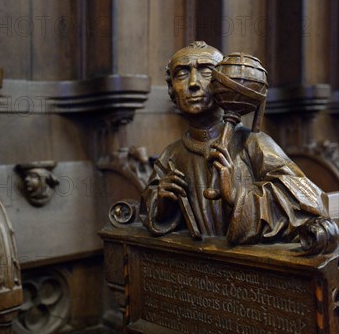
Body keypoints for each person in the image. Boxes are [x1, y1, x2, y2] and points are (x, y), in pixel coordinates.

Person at [140, 41, 329, 245]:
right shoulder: (172, 155)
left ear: (224, 83)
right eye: (182, 73)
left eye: (206, 71)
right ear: (171, 89)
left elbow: (312, 202)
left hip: (246, 270)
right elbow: (148, 213)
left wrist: (237, 196)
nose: (193, 83)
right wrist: (162, 203)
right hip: (193, 269)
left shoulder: (253, 143)